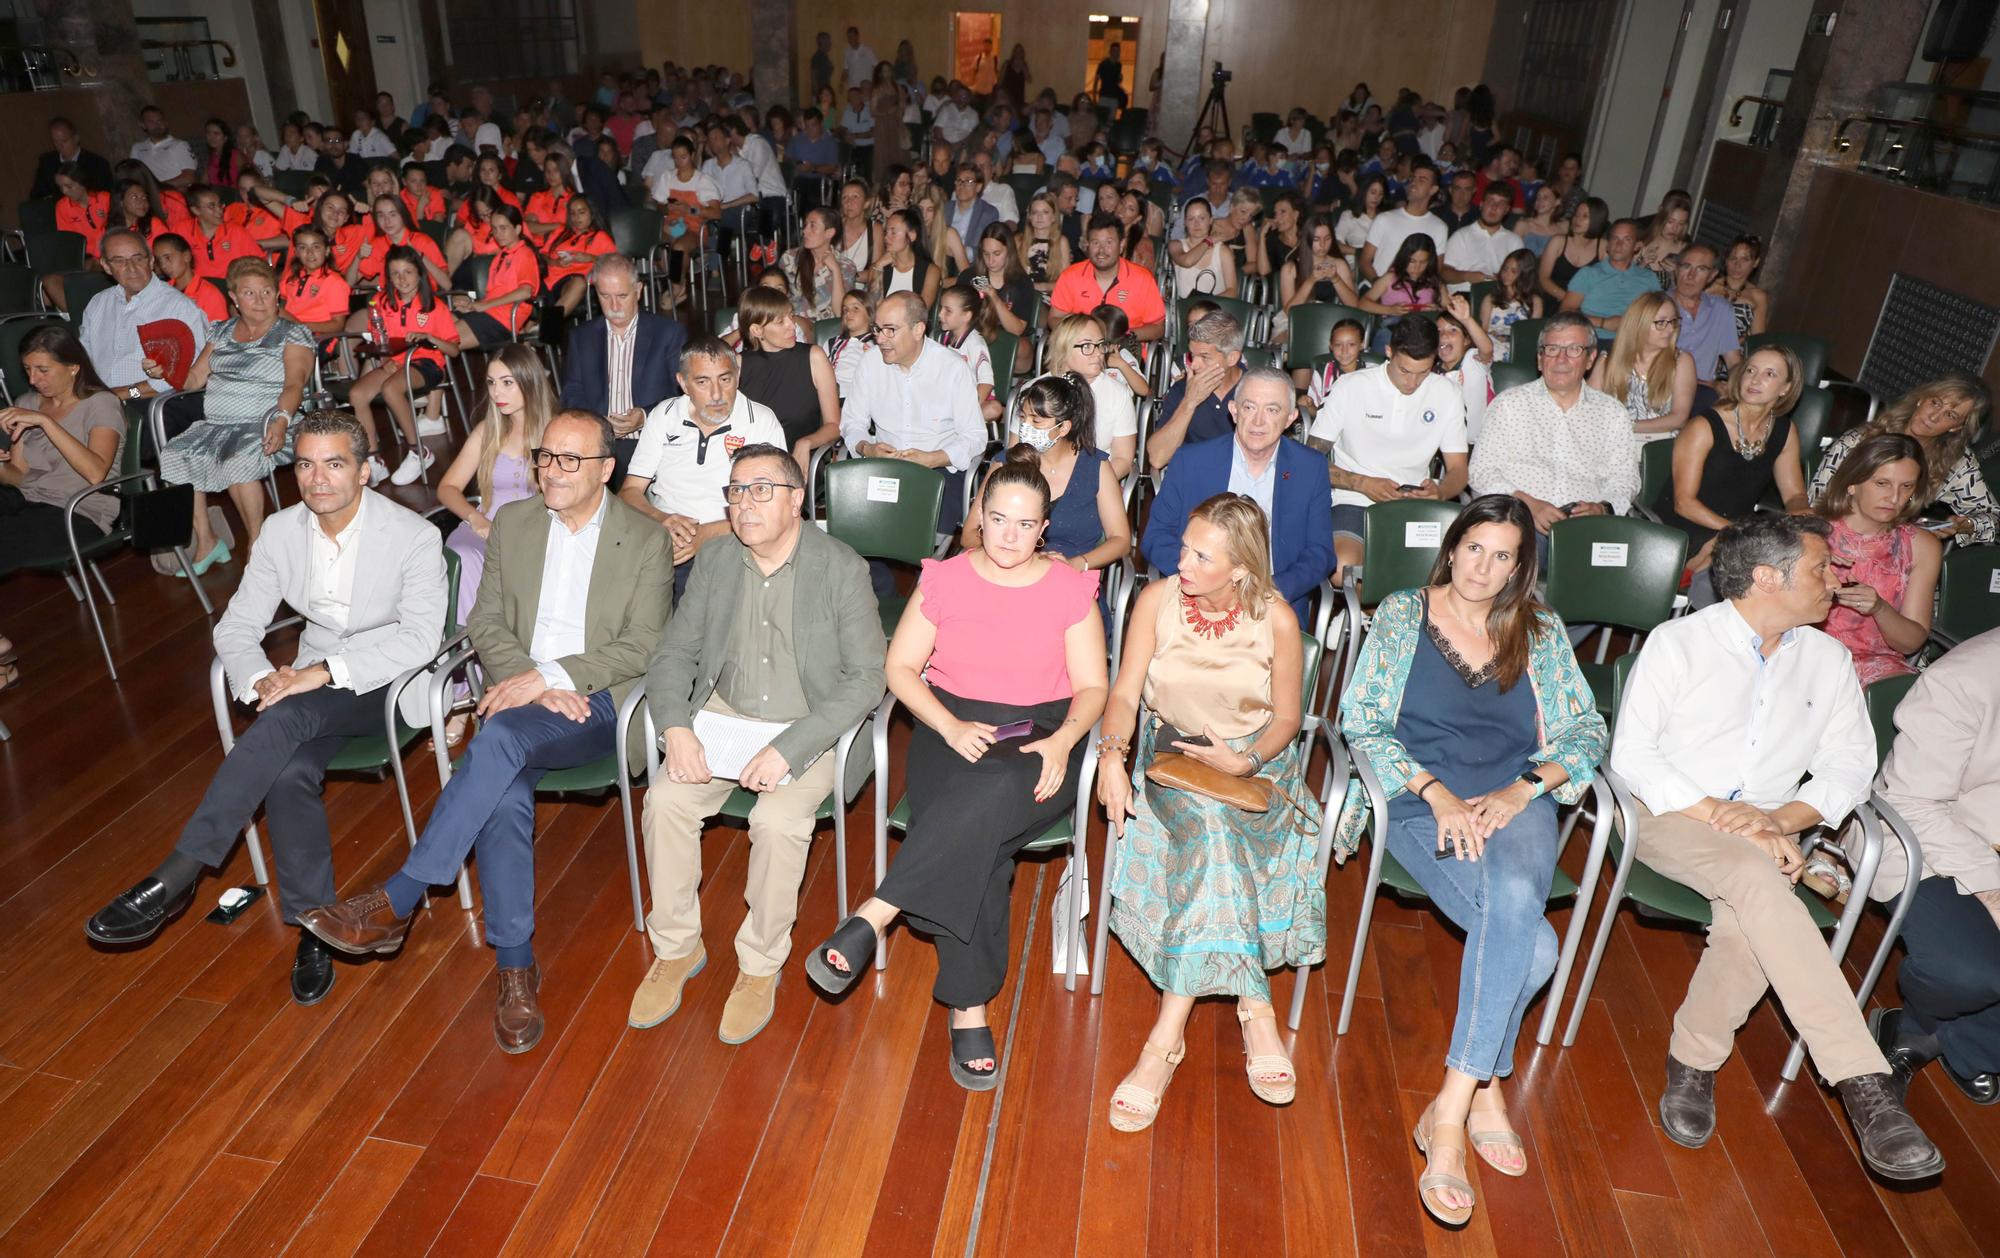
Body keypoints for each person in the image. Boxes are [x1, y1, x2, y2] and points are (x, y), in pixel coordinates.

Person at [301, 409, 672, 1053]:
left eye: (570, 460)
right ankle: (515, 968)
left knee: (495, 740)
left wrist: (554, 679)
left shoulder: (644, 539)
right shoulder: (514, 524)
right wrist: (527, 679)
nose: (551, 471)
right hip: (519, 697)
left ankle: (401, 898)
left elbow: (644, 645)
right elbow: (485, 621)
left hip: (599, 707)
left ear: (607, 471)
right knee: (503, 788)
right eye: (545, 458)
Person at [1609, 512, 1944, 1181]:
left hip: (1770, 826)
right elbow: (1634, 758)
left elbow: (1851, 764)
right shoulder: (1679, 644)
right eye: (1821, 568)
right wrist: (1732, 817)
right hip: (1672, 811)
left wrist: (1780, 819)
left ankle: (1693, 1060)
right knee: (1763, 882)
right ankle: (1863, 1086)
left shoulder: (1826, 659)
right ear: (1766, 577)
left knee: (1749, 919)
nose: (1836, 580)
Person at [85, 411, 448, 1005]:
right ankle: (314, 925)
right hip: (306, 690)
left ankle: (178, 875)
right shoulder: (281, 531)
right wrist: (261, 681)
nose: (317, 479)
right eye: (305, 464)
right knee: (287, 766)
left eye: (334, 464)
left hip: (387, 684)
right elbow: (236, 627)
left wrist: (319, 673)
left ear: (364, 470)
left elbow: (419, 640)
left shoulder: (412, 535)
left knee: (292, 716)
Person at [1338, 494, 1607, 1223]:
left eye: (1504, 556)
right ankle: (1487, 1086)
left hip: (1514, 803)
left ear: (1522, 567)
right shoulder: (1402, 614)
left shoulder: (1541, 630)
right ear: (1452, 547)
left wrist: (1524, 790)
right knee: (1538, 948)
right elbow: (1360, 722)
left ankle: (1448, 1114)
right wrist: (1436, 792)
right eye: (1474, 548)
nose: (1484, 568)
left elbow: (1586, 732)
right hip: (1420, 804)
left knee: (1518, 897)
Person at [805, 456, 1107, 1089]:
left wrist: (1064, 742)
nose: (1008, 535)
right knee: (981, 841)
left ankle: (875, 915)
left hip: (1043, 730)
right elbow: (900, 669)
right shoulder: (944, 579)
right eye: (997, 519)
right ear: (979, 516)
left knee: (989, 796)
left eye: (1025, 525)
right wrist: (947, 726)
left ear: (1044, 528)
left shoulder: (1069, 589)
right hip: (951, 726)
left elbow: (1093, 687)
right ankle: (968, 1009)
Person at [630, 442, 882, 1047]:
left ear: (797, 500)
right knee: (665, 801)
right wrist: (677, 727)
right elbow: (673, 656)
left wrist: (791, 748)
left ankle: (759, 964)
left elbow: (867, 678)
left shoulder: (840, 566)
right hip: (724, 713)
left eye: (761, 489)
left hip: (808, 724)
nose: (744, 504)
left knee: (775, 822)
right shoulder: (715, 562)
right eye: (736, 491)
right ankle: (676, 947)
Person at [1100, 492, 1324, 1129]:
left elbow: (1286, 719)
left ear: (1241, 569)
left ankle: (1164, 1042)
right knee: (1213, 834)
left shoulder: (1277, 618)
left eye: (1203, 555)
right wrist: (1114, 756)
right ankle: (1254, 1011)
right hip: (1175, 758)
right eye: (1185, 547)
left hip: (1255, 769)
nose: (1183, 562)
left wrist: (1245, 761)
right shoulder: (1157, 600)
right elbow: (1122, 693)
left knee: (1221, 832)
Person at [1870, 625, 2000, 1104]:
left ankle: (1966, 1041)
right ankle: (1918, 1023)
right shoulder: (1966, 679)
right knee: (1969, 972)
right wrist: (1994, 893)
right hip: (1934, 840)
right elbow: (1914, 804)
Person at [1143, 367, 1335, 625]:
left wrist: (1270, 592)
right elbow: (1156, 536)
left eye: (1272, 410)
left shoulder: (1310, 468)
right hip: (1198, 600)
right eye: (1249, 407)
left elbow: (1320, 552)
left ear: (1290, 418)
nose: (1258, 421)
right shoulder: (1191, 461)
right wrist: (1205, 584)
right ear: (1234, 411)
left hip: (1273, 604)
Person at [159, 257, 315, 565]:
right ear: (234, 298)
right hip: (217, 424)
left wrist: (281, 420)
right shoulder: (221, 332)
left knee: (237, 459)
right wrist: (165, 368)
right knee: (175, 455)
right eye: (249, 293)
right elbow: (193, 379)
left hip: (271, 420)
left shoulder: (291, 333)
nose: (259, 300)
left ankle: (258, 546)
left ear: (277, 295)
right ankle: (207, 540)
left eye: (267, 292)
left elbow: (294, 386)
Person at [618, 336, 788, 602]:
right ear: (683, 383)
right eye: (702, 382)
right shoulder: (663, 415)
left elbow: (778, 508)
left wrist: (704, 535)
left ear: (738, 375)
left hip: (735, 540)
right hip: (666, 538)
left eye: (725, 379)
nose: (717, 395)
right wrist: (661, 519)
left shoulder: (761, 422)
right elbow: (629, 492)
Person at [1311, 317, 1470, 575]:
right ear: (1388, 352)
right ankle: (1389, 613)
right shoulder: (1351, 387)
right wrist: (1362, 483)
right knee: (1343, 568)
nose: (1412, 383)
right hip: (1355, 500)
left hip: (1415, 505)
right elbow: (1309, 460)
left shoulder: (1447, 393)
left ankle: (1391, 612)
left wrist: (1440, 492)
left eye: (1423, 373)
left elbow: (1459, 471)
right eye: (1404, 371)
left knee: (1451, 571)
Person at [1469, 313, 1639, 552]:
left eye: (1573, 349)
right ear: (1540, 359)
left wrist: (1602, 508)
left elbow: (1625, 479)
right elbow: (1480, 472)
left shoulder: (1612, 413)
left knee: (1629, 565)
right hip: (1521, 524)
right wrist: (1527, 505)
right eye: (1552, 349)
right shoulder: (1509, 404)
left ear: (1590, 359)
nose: (1561, 359)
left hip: (1589, 528)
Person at [1659, 345, 1810, 601]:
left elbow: (1794, 493)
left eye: (1769, 374)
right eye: (1751, 370)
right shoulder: (1704, 425)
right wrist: (1736, 531)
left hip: (1735, 529)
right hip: (1683, 526)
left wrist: (1802, 516)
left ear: (1786, 388)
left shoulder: (1784, 431)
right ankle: (1685, 598)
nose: (1755, 379)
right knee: (1733, 555)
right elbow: (1683, 503)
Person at [437, 345, 556, 657]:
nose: (496, 392)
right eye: (491, 383)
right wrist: (476, 519)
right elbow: (448, 487)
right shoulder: (487, 431)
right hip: (483, 527)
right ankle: (467, 661)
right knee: (463, 554)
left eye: (507, 382)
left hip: (533, 531)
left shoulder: (554, 432)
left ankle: (512, 658)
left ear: (528, 381)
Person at [839, 291, 986, 543]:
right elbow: (852, 423)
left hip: (939, 470)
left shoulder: (951, 368)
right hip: (884, 467)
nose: (881, 339)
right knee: (857, 537)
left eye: (890, 330)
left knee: (924, 546)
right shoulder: (870, 363)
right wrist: (867, 448)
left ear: (918, 330)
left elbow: (975, 437)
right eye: (877, 329)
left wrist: (933, 458)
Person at [962, 374, 1128, 580]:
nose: (1025, 428)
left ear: (1064, 427)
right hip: (1006, 570)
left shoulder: (1096, 467)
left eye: (1036, 421)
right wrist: (1018, 557)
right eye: (1023, 418)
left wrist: (1077, 564)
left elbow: (1120, 539)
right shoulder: (1006, 462)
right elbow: (969, 533)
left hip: (1067, 576)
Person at [1809, 373, 1996, 544]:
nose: (1933, 416)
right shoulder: (1861, 440)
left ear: (1957, 427)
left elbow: (1993, 517)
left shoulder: (1956, 463)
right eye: (1935, 403)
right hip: (1835, 534)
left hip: (1894, 548)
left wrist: (1967, 523)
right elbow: (1816, 501)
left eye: (1950, 415)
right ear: (1921, 399)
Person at [1815, 433, 1941, 685]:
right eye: (1882, 483)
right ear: (1852, 483)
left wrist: (1879, 609)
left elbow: (1911, 642)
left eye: (1906, 486)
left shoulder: (1921, 546)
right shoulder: (1813, 532)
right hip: (1809, 652)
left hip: (1876, 664)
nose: (1894, 498)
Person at [0, 326, 125, 582]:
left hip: (78, 512)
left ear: (73, 367)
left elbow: (96, 473)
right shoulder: (27, 403)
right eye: (27, 370)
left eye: (42, 370)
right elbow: (19, 477)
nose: (33, 380)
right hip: (27, 501)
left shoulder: (101, 404)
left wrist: (46, 422)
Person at [559, 255, 685, 490]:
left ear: (638, 290)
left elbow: (682, 396)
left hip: (650, 443)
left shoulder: (668, 333)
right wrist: (597, 423)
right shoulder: (581, 336)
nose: (614, 306)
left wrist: (645, 417)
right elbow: (571, 392)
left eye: (622, 296)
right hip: (597, 446)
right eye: (605, 296)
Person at [345, 246, 461, 486]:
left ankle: (419, 451)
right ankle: (374, 459)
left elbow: (454, 350)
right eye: (395, 273)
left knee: (390, 388)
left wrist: (430, 337)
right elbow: (383, 342)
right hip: (396, 363)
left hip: (427, 364)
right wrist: (387, 361)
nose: (402, 279)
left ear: (419, 274)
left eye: (408, 272)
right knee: (357, 393)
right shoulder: (383, 303)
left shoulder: (434, 306)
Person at [78, 228, 209, 407]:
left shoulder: (180, 308)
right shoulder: (98, 303)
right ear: (106, 266)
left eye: (138, 258)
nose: (132, 268)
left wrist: (124, 394)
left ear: (151, 260)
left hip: (150, 403)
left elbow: (189, 377)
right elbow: (84, 357)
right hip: (100, 401)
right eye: (120, 261)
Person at [736, 286, 841, 471]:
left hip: (799, 467)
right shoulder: (740, 365)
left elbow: (834, 425)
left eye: (791, 316)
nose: (792, 325)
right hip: (752, 466)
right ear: (757, 330)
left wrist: (806, 442)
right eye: (780, 322)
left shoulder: (813, 357)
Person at [1588, 290, 1695, 439]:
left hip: (1660, 446)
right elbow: (1588, 409)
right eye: (1661, 322)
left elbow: (1679, 418)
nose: (1670, 329)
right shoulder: (1608, 361)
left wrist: (1627, 425)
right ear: (1638, 324)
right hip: (1615, 443)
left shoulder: (1681, 361)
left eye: (1673, 321)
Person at [1044, 313, 1139, 480]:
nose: (1099, 354)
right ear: (1064, 348)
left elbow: (1123, 459)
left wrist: (1087, 486)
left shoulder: (1117, 393)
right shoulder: (1035, 390)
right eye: (1087, 346)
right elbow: (1017, 450)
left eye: (1101, 345)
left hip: (1095, 483)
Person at [1049, 213, 1166, 342]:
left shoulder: (1142, 279)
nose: (1101, 250)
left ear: (1121, 245)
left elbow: (1158, 328)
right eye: (1095, 243)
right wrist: (1082, 333)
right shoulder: (1070, 276)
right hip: (1080, 347)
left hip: (1125, 350)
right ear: (1088, 244)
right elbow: (1054, 318)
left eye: (1108, 242)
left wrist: (1123, 336)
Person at [1663, 243, 1742, 394]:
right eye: (1686, 266)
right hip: (1664, 386)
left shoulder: (1721, 309)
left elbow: (1734, 362)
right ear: (1677, 269)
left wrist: (1739, 388)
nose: (1691, 276)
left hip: (1704, 393)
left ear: (1712, 276)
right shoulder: (1656, 305)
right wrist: (1709, 385)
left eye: (1701, 269)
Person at [1561, 218, 1655, 339]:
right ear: (1608, 244)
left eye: (1627, 239)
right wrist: (1604, 323)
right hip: (1593, 340)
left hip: (1632, 343)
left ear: (1637, 246)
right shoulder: (1589, 274)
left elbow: (1659, 315)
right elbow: (1565, 312)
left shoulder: (1648, 278)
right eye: (1615, 238)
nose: (1619, 244)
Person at [1360, 162, 1447, 282]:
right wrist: (1380, 287)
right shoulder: (1384, 219)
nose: (1413, 183)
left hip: (1413, 295)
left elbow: (1436, 270)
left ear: (1433, 189)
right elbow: (1365, 261)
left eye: (1421, 180)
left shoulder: (1439, 227)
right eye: (1412, 178)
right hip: (1377, 290)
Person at [1441, 184, 1524, 294]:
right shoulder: (1461, 236)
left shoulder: (1514, 241)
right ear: (1481, 205)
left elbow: (1520, 277)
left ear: (1507, 210)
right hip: (1464, 296)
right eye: (1490, 202)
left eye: (1501, 204)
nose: (1494, 207)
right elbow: (1444, 273)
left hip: (1497, 297)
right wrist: (1467, 276)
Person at [1538, 196, 1608, 306]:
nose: (1577, 219)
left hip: (1584, 304)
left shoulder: (1603, 247)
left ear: (1597, 220)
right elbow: (1543, 278)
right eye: (1576, 214)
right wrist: (1567, 298)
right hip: (1552, 298)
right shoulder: (1558, 241)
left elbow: (1606, 284)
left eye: (1585, 216)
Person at [1167, 197, 1237, 300]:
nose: (1196, 224)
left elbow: (1232, 291)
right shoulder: (1176, 245)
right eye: (1191, 219)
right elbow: (1187, 261)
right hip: (1184, 310)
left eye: (1202, 218)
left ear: (1211, 220)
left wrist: (1204, 306)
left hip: (1215, 310)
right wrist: (1209, 241)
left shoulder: (1222, 251)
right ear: (1185, 222)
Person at [30, 116, 112, 200]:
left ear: (76, 138)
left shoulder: (97, 164)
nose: (60, 146)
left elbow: (103, 198)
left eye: (64, 141)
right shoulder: (47, 162)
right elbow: (36, 195)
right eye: (55, 142)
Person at [1709, 234, 1770, 344]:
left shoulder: (1758, 296)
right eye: (1733, 258)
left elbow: (1757, 340)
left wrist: (1739, 341)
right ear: (1726, 260)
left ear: (1755, 262)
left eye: (1745, 259)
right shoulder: (1709, 285)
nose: (1737, 265)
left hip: (1734, 354)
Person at [1635, 190, 1693, 287]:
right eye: (1670, 221)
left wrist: (1675, 276)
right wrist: (1642, 264)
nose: (1674, 228)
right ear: (1660, 211)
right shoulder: (1640, 243)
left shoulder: (1687, 252)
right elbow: (1622, 283)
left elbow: (1687, 294)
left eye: (1681, 224)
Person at [130, 106, 196, 188]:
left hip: (172, 194)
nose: (157, 125)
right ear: (143, 125)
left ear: (166, 122)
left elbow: (188, 178)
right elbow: (133, 176)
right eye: (151, 122)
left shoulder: (179, 145)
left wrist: (157, 187)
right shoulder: (138, 148)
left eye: (160, 120)